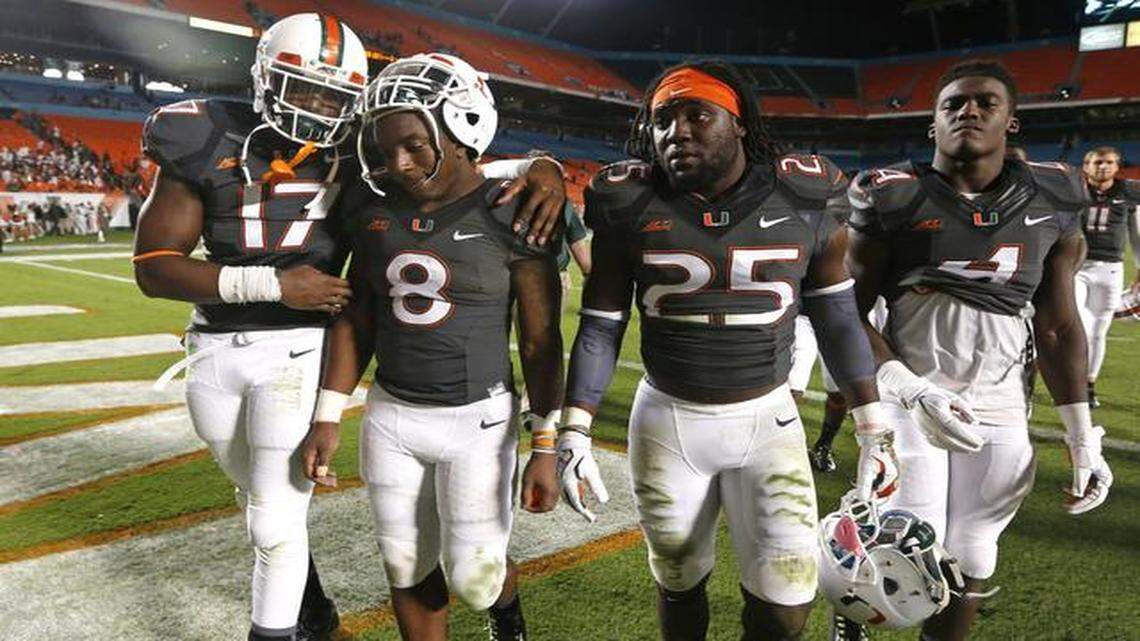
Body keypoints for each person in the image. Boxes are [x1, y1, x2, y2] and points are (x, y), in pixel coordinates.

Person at [134, 16, 565, 641]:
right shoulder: (214, 135)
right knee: (263, 504)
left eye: (333, 97)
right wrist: (273, 285)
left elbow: (455, 163)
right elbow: (153, 268)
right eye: (302, 88)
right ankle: (315, 617)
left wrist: (543, 165)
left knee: (276, 520)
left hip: (308, 347)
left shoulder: (364, 154)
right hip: (220, 346)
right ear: (264, 77)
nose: (316, 108)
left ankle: (291, 626)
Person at [555, 60, 898, 641]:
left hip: (768, 419)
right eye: (663, 119)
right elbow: (599, 325)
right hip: (668, 422)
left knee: (788, 599)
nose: (678, 131)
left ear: (739, 124)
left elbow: (839, 318)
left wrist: (875, 429)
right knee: (679, 581)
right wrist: (572, 430)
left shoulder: (805, 193)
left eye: (698, 115)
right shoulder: (626, 199)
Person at [842, 60, 1115, 641]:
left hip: (1000, 404)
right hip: (914, 397)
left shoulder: (1056, 194)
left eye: (985, 103)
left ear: (1011, 122)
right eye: (953, 104)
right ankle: (851, 612)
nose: (968, 111)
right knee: (910, 543)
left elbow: (1061, 325)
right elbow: (843, 314)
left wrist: (1080, 435)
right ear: (932, 127)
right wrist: (908, 390)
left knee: (971, 553)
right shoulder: (892, 196)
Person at [299, 53, 564, 641]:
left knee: (476, 580)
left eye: (416, 145)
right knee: (404, 564)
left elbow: (542, 340)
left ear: (464, 129)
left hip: (479, 418)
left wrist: (545, 440)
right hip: (392, 415)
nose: (399, 164)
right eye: (386, 149)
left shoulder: (513, 210)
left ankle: (506, 612)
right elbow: (359, 315)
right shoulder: (372, 208)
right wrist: (328, 414)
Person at [1077, 146, 1140, 408]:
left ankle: (1089, 384)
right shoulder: (1074, 189)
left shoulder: (1129, 192)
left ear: (1117, 167)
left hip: (1111, 269)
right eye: (1097, 162)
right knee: (1078, 324)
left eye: (1109, 162)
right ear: (1086, 166)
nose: (1102, 167)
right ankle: (1074, 381)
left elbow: (1137, 233)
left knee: (1098, 331)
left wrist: (1139, 267)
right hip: (1076, 267)